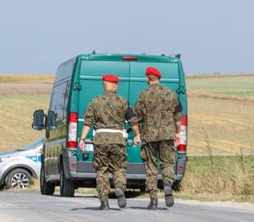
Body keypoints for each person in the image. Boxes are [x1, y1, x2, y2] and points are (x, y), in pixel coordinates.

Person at [78, 73, 138, 210]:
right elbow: (132, 120)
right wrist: (137, 134)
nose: (117, 86)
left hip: (100, 141)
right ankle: (119, 188)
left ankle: (104, 202)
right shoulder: (123, 101)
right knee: (119, 168)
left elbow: (88, 122)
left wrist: (82, 139)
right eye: (115, 83)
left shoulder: (94, 102)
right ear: (110, 84)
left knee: (101, 170)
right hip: (118, 140)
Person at [133, 66, 183, 209]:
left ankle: (153, 200)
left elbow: (136, 116)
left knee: (150, 166)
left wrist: (137, 132)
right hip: (168, 134)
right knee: (167, 162)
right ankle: (167, 183)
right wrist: (177, 132)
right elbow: (178, 116)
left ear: (148, 79)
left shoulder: (144, 95)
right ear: (159, 78)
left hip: (149, 135)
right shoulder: (171, 93)